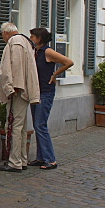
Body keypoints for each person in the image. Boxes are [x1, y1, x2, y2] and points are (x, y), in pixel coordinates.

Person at [0, 22, 40, 173]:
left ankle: (15, 162)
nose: (3, 38)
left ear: (6, 33)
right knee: (21, 126)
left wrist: (10, 87)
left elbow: (11, 68)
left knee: (14, 125)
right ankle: (22, 159)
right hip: (26, 89)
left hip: (18, 90)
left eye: (2, 35)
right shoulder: (26, 41)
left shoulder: (14, 42)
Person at [27, 27, 73, 171]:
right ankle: (41, 157)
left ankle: (50, 159)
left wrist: (54, 75)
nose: (31, 38)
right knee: (37, 125)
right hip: (36, 91)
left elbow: (68, 62)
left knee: (41, 125)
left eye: (33, 36)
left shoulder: (47, 51)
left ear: (39, 38)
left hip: (45, 92)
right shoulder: (36, 52)